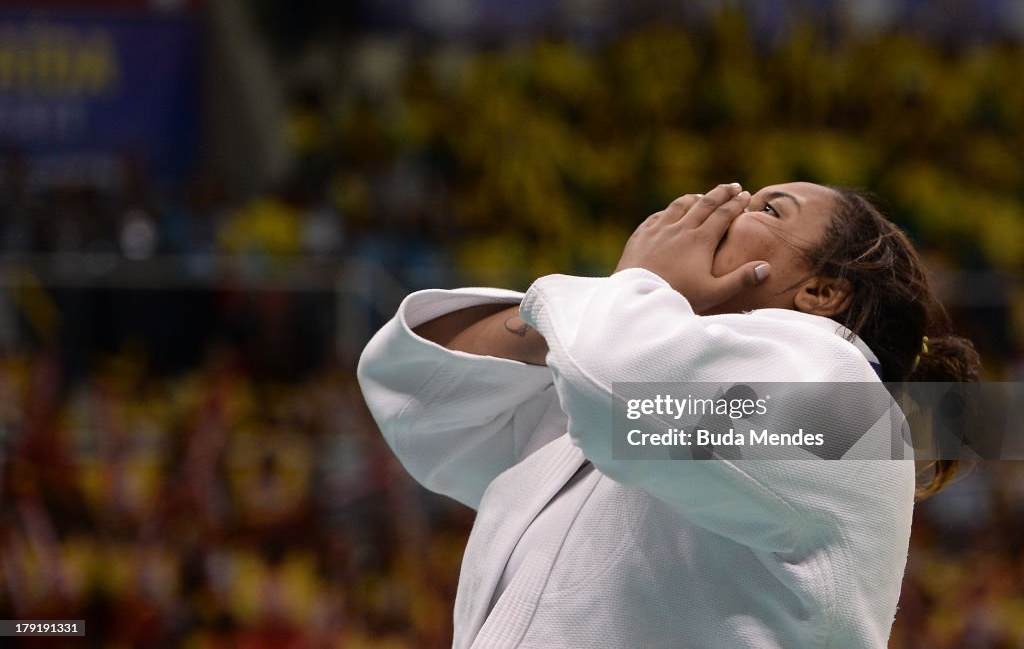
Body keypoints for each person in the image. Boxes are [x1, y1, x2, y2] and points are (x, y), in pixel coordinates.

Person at [357, 182, 980, 648]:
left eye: (769, 209)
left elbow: (613, 384)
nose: (730, 206)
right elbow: (421, 394)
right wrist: (604, 301)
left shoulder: (845, 403)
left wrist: (636, 284)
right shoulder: (648, 381)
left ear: (820, 292)